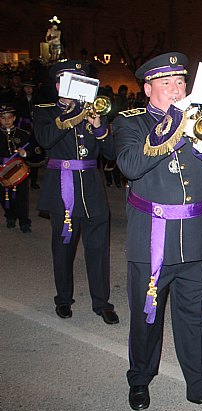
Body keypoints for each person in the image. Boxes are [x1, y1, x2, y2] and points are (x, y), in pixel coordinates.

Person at [113, 52, 202, 411]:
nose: (175, 89)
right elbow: (130, 164)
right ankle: (139, 377)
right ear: (148, 88)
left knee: (195, 318)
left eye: (180, 82)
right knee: (146, 316)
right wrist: (172, 129)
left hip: (197, 240)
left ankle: (200, 387)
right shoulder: (132, 123)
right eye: (166, 83)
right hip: (151, 238)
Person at [32, 60, 118, 324]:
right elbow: (45, 140)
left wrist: (99, 126)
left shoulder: (94, 111)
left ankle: (101, 302)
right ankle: (63, 299)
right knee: (64, 247)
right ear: (59, 85)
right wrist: (72, 117)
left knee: (98, 248)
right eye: (72, 81)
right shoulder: (45, 112)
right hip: (62, 187)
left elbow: (112, 154)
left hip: (92, 187)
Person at [0, 104, 33, 232]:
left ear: (14, 118)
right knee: (4, 196)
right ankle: (10, 216)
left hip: (19, 170)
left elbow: (32, 152)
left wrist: (25, 153)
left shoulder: (23, 134)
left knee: (21, 197)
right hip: (2, 171)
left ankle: (24, 221)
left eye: (9, 118)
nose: (6, 121)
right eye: (3, 118)